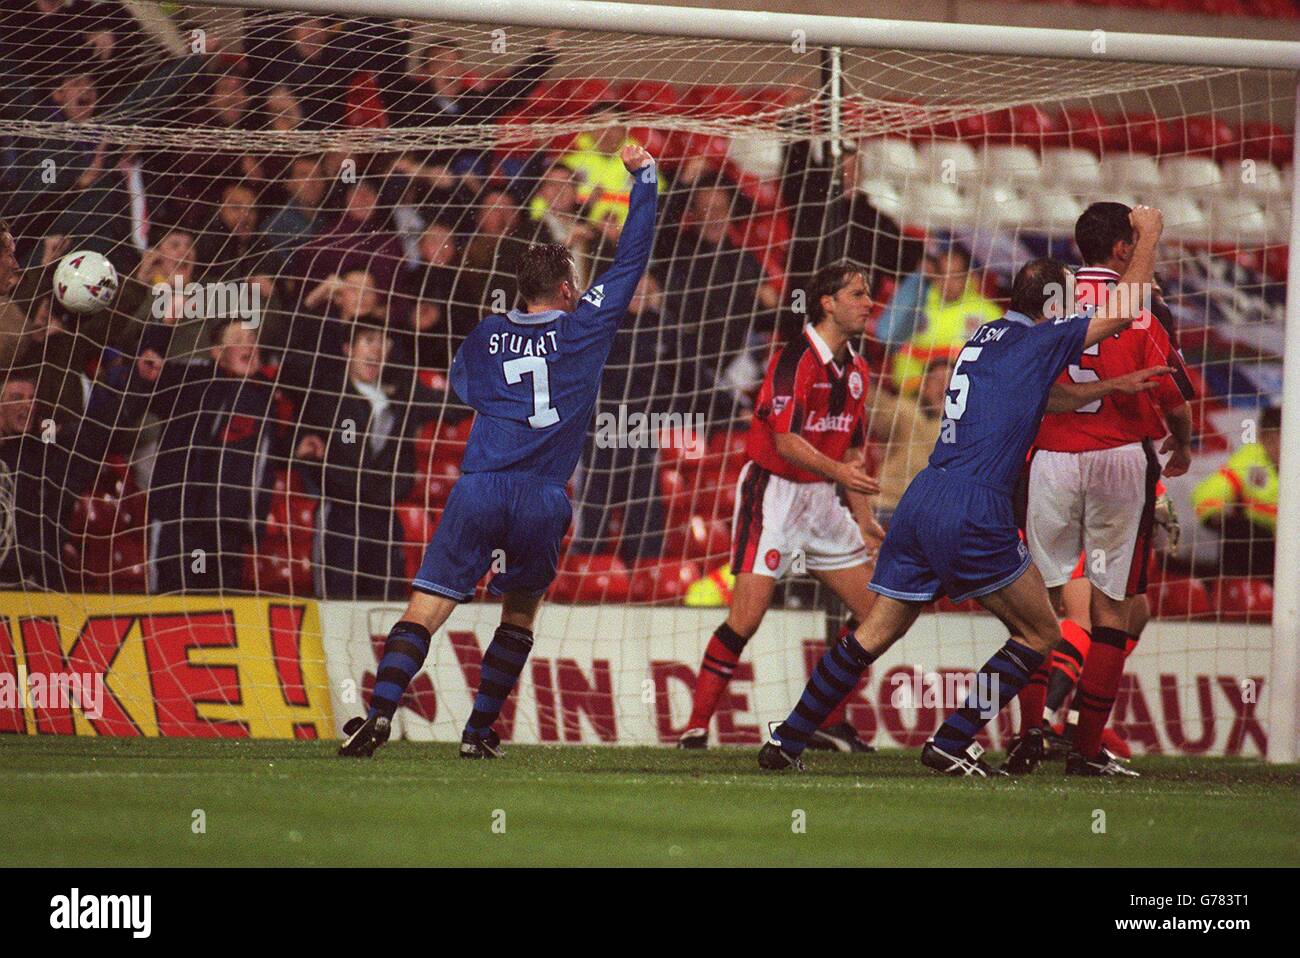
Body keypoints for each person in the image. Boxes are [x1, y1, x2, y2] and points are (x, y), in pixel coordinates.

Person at [759, 205, 1164, 776]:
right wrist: (1148, 235)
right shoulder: (1045, 337)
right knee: (1041, 632)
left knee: (875, 630)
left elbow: (1035, 399)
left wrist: (1111, 384)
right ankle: (952, 740)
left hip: (925, 497)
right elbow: (1125, 309)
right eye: (1071, 299)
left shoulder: (988, 337)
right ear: (1053, 305)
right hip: (975, 505)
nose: (1078, 307)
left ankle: (788, 739)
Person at [336, 143, 658, 759]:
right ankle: (478, 731)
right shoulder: (584, 326)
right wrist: (643, 179)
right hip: (541, 495)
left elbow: (466, 389)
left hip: (480, 485)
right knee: (518, 614)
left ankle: (378, 713)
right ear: (568, 288)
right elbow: (631, 259)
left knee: (427, 605)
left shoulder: (488, 332)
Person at [1006, 201, 1193, 776]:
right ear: (1123, 248)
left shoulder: (1051, 296)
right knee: (1115, 611)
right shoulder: (1143, 306)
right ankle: (1085, 750)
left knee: (1038, 604)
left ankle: (1028, 737)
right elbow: (1173, 395)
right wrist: (1181, 446)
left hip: (1050, 459)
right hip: (1117, 460)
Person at [677, 262, 884, 753]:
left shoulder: (858, 369)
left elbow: (851, 451)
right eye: (856, 294)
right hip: (772, 493)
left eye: (868, 293)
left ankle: (824, 721)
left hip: (820, 499)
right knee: (747, 617)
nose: (868, 302)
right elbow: (786, 441)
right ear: (827, 303)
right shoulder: (795, 359)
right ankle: (694, 729)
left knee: (878, 614)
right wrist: (839, 476)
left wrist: (864, 517)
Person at [293, 320, 443, 599]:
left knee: (385, 603)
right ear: (348, 348)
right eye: (369, 340)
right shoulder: (327, 395)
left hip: (384, 516)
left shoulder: (402, 397)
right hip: (342, 516)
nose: (377, 348)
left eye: (384, 341)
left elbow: (449, 406)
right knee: (338, 605)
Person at [1191, 405, 1279, 579]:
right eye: (1273, 439)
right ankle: (1238, 592)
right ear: (1263, 438)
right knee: (1240, 531)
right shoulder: (1250, 461)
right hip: (1261, 546)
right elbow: (1212, 490)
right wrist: (1216, 513)